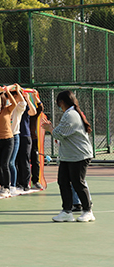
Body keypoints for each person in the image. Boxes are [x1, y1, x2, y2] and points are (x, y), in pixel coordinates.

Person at [43, 90, 95, 222]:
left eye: (58, 103)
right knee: (63, 181)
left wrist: (50, 129)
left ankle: (88, 211)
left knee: (78, 183)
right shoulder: (70, 113)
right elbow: (62, 133)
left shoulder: (70, 114)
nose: (58, 107)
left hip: (79, 155)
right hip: (68, 156)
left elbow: (58, 134)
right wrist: (52, 128)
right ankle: (67, 211)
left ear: (61, 102)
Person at [0, 86, 17, 197]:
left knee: (4, 164)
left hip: (8, 140)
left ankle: (7, 187)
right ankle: (2, 185)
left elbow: (14, 103)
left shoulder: (8, 109)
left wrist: (7, 91)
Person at [15, 89, 36, 191]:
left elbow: (33, 112)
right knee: (15, 160)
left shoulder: (24, 106)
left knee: (24, 160)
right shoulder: (12, 106)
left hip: (25, 135)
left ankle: (25, 183)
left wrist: (28, 99)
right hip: (15, 135)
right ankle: (17, 182)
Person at [8, 85, 27, 191]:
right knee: (5, 163)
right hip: (5, 136)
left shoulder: (18, 108)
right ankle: (6, 184)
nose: (13, 99)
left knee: (11, 162)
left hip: (14, 136)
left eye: (15, 97)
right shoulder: (7, 107)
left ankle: (13, 185)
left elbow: (23, 102)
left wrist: (18, 90)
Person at [29, 95, 44, 189]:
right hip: (22, 138)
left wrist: (35, 96)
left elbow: (40, 107)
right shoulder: (21, 111)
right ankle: (22, 181)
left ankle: (35, 180)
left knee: (35, 160)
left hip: (33, 139)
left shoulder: (34, 114)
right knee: (22, 161)